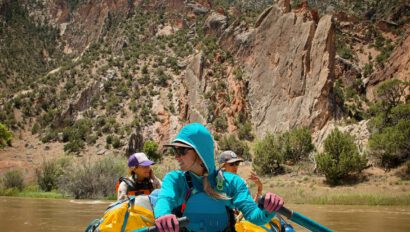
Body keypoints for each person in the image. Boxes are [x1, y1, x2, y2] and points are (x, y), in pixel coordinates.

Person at [154, 123, 284, 232]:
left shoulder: (233, 182)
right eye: (175, 151)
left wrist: (269, 209)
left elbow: (255, 217)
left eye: (181, 150)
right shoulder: (175, 180)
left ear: (200, 152)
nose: (176, 156)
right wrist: (163, 215)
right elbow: (164, 200)